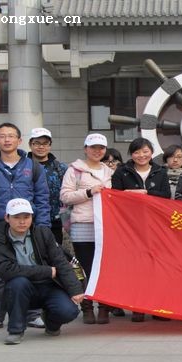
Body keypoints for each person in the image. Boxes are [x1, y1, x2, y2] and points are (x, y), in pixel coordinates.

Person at [0, 122, 50, 332]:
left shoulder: (33, 167)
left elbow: (43, 199)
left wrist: (43, 227)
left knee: (31, 269)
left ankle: (32, 314)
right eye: (2, 136)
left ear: (19, 140)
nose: (7, 140)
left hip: (27, 225)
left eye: (11, 136)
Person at [0, 199, 83, 345]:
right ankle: (15, 331)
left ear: (32, 217)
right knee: (17, 283)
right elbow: (8, 271)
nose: (22, 222)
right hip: (20, 288)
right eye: (16, 217)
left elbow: (60, 261)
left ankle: (51, 323)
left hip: (49, 285)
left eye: (26, 217)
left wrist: (75, 289)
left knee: (69, 311)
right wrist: (46, 271)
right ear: (7, 218)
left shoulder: (43, 233)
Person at [111, 137, 171, 322]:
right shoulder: (121, 172)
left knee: (157, 267)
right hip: (131, 226)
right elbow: (115, 198)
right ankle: (138, 306)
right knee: (136, 267)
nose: (141, 155)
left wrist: (145, 193)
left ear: (151, 153)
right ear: (131, 154)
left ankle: (158, 307)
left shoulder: (160, 171)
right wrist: (128, 195)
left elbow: (166, 196)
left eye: (145, 151)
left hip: (156, 226)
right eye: (137, 152)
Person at [60, 133, 114, 325]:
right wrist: (89, 192)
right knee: (85, 268)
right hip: (82, 225)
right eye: (93, 147)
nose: (97, 151)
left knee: (105, 268)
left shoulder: (109, 171)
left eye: (101, 148)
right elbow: (65, 196)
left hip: (105, 226)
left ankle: (104, 307)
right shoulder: (74, 170)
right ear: (85, 149)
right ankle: (88, 307)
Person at [27, 128, 68, 245]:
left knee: (55, 252)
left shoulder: (60, 168)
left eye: (45, 143)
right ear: (30, 144)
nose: (41, 147)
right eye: (37, 143)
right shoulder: (22, 167)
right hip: (27, 221)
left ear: (50, 145)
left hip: (54, 221)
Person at [100, 148, 127, 318]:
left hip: (121, 228)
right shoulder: (100, 175)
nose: (111, 164)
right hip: (100, 225)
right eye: (107, 161)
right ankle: (107, 304)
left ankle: (119, 302)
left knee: (120, 267)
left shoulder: (123, 176)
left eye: (114, 160)